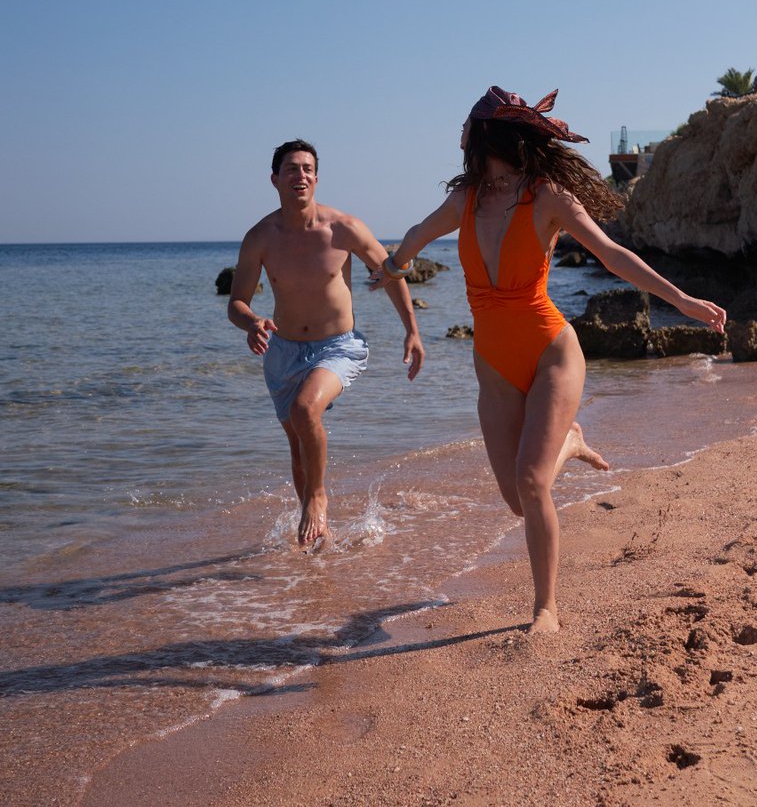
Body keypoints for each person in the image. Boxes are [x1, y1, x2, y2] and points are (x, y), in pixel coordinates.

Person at [370, 88, 725, 634]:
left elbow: (612, 254)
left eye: (467, 125)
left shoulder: (548, 195)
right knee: (518, 499)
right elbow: (417, 235)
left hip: (550, 353)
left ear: (487, 133)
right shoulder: (465, 198)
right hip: (492, 365)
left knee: (533, 485)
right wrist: (391, 267)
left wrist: (682, 303)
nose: (460, 135)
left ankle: (546, 610)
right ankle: (573, 443)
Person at [229, 139, 424, 549]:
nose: (300, 175)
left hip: (338, 346)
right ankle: (320, 536)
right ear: (274, 179)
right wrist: (251, 323)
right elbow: (237, 302)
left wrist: (412, 329)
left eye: (307, 168)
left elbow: (390, 272)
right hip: (282, 352)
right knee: (299, 448)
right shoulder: (260, 237)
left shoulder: (343, 228)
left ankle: (317, 499)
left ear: (316, 178)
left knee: (305, 410)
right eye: (290, 169)